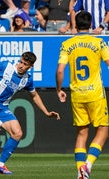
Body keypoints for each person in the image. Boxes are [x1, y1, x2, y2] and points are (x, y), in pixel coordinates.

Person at [56, 11, 109, 179]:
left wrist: (58, 90)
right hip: (95, 94)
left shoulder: (67, 44)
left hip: (77, 94)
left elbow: (60, 70)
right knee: (103, 131)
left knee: (81, 134)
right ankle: (88, 164)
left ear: (75, 26)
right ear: (91, 25)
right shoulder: (99, 42)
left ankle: (81, 172)